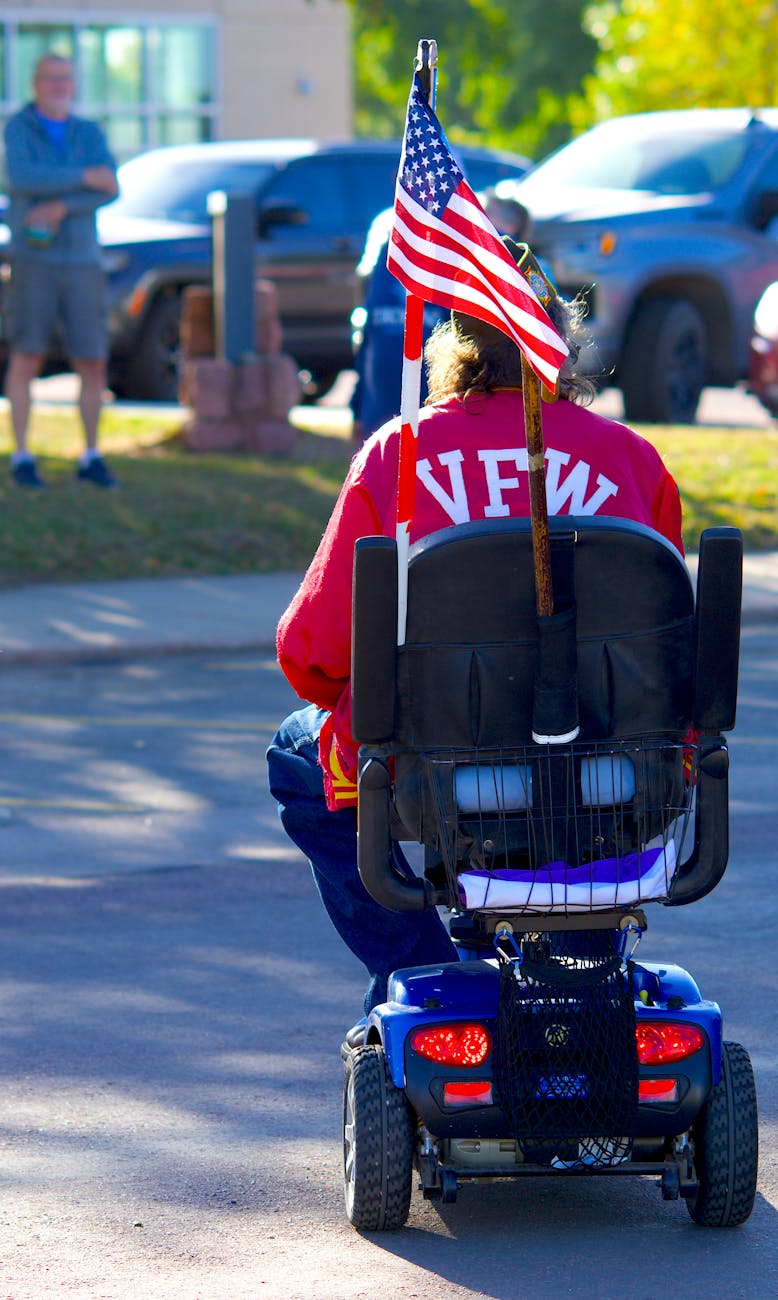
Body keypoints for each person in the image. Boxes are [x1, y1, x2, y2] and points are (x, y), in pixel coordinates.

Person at [268, 263, 684, 1038]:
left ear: (450, 347)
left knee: (296, 760)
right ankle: (565, 965)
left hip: (433, 764)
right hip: (612, 767)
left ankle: (425, 972)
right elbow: (666, 646)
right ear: (557, 342)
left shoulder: (399, 457)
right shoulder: (632, 460)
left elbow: (311, 653)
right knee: (564, 793)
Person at [3, 53, 119, 490]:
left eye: (66, 79)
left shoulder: (88, 131)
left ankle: (91, 455)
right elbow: (20, 176)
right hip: (35, 261)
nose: (59, 86)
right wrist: (82, 177)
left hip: (83, 260)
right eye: (51, 78)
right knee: (27, 353)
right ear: (36, 83)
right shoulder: (18, 128)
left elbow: (110, 185)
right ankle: (22, 456)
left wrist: (63, 204)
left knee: (92, 359)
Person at [350, 190, 532, 444]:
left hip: (436, 418)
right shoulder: (394, 248)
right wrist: (357, 406)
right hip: (379, 408)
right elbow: (370, 332)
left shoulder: (493, 266)